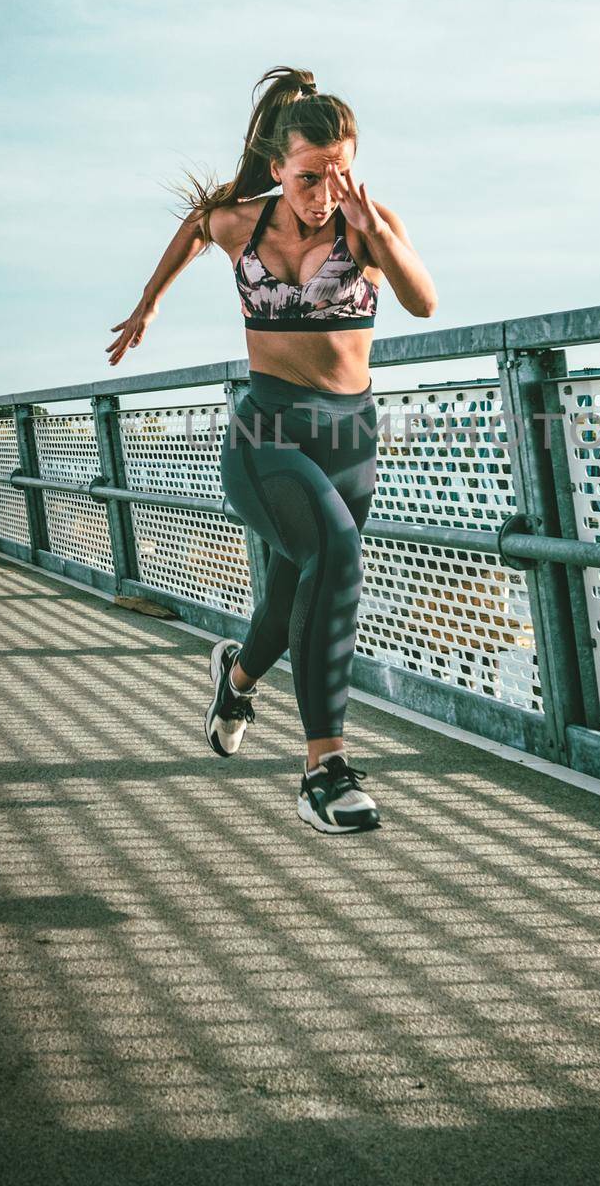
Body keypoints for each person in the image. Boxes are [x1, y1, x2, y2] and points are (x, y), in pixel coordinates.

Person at [106, 65, 438, 833]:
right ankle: (324, 767)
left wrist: (379, 232)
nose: (324, 192)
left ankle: (237, 677)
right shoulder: (243, 223)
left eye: (340, 174)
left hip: (349, 438)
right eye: (309, 176)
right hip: (268, 431)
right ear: (279, 164)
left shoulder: (367, 225)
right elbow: (196, 226)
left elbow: (423, 301)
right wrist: (147, 306)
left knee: (292, 595)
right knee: (338, 555)